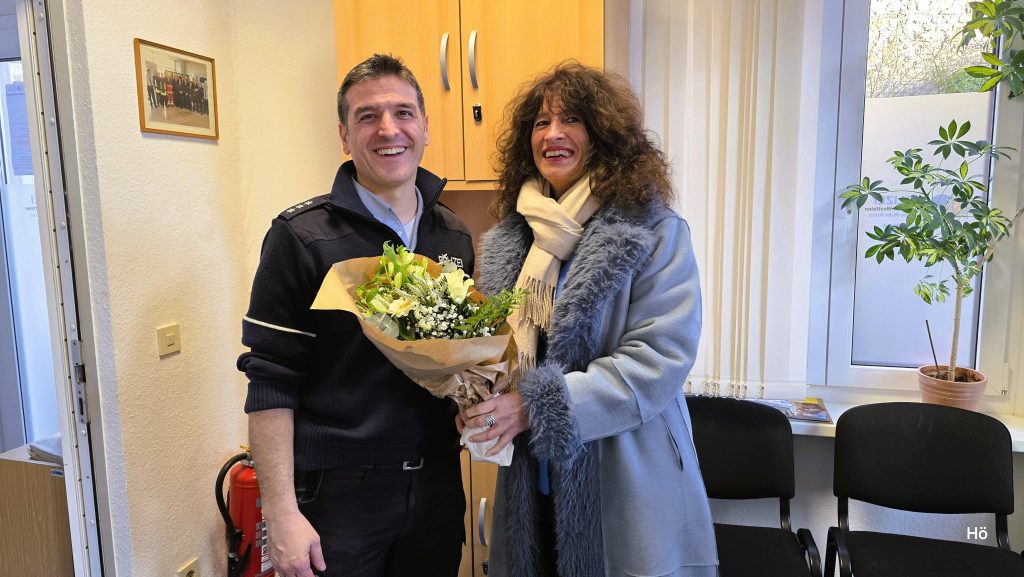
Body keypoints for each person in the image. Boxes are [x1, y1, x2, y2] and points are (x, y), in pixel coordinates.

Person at [458, 62, 718, 577]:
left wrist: (534, 407)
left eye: (571, 119)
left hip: (624, 473)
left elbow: (658, 359)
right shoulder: (511, 239)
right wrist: (472, 396)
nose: (552, 134)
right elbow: (498, 351)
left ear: (603, 135)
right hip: (531, 477)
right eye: (540, 122)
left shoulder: (654, 231)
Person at [238, 53, 474, 577]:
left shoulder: (453, 235)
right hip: (337, 497)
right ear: (345, 136)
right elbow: (270, 380)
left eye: (403, 113)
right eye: (368, 116)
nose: (389, 129)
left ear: (425, 127)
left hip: (436, 486)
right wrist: (281, 513)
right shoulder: (301, 237)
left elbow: (454, 362)